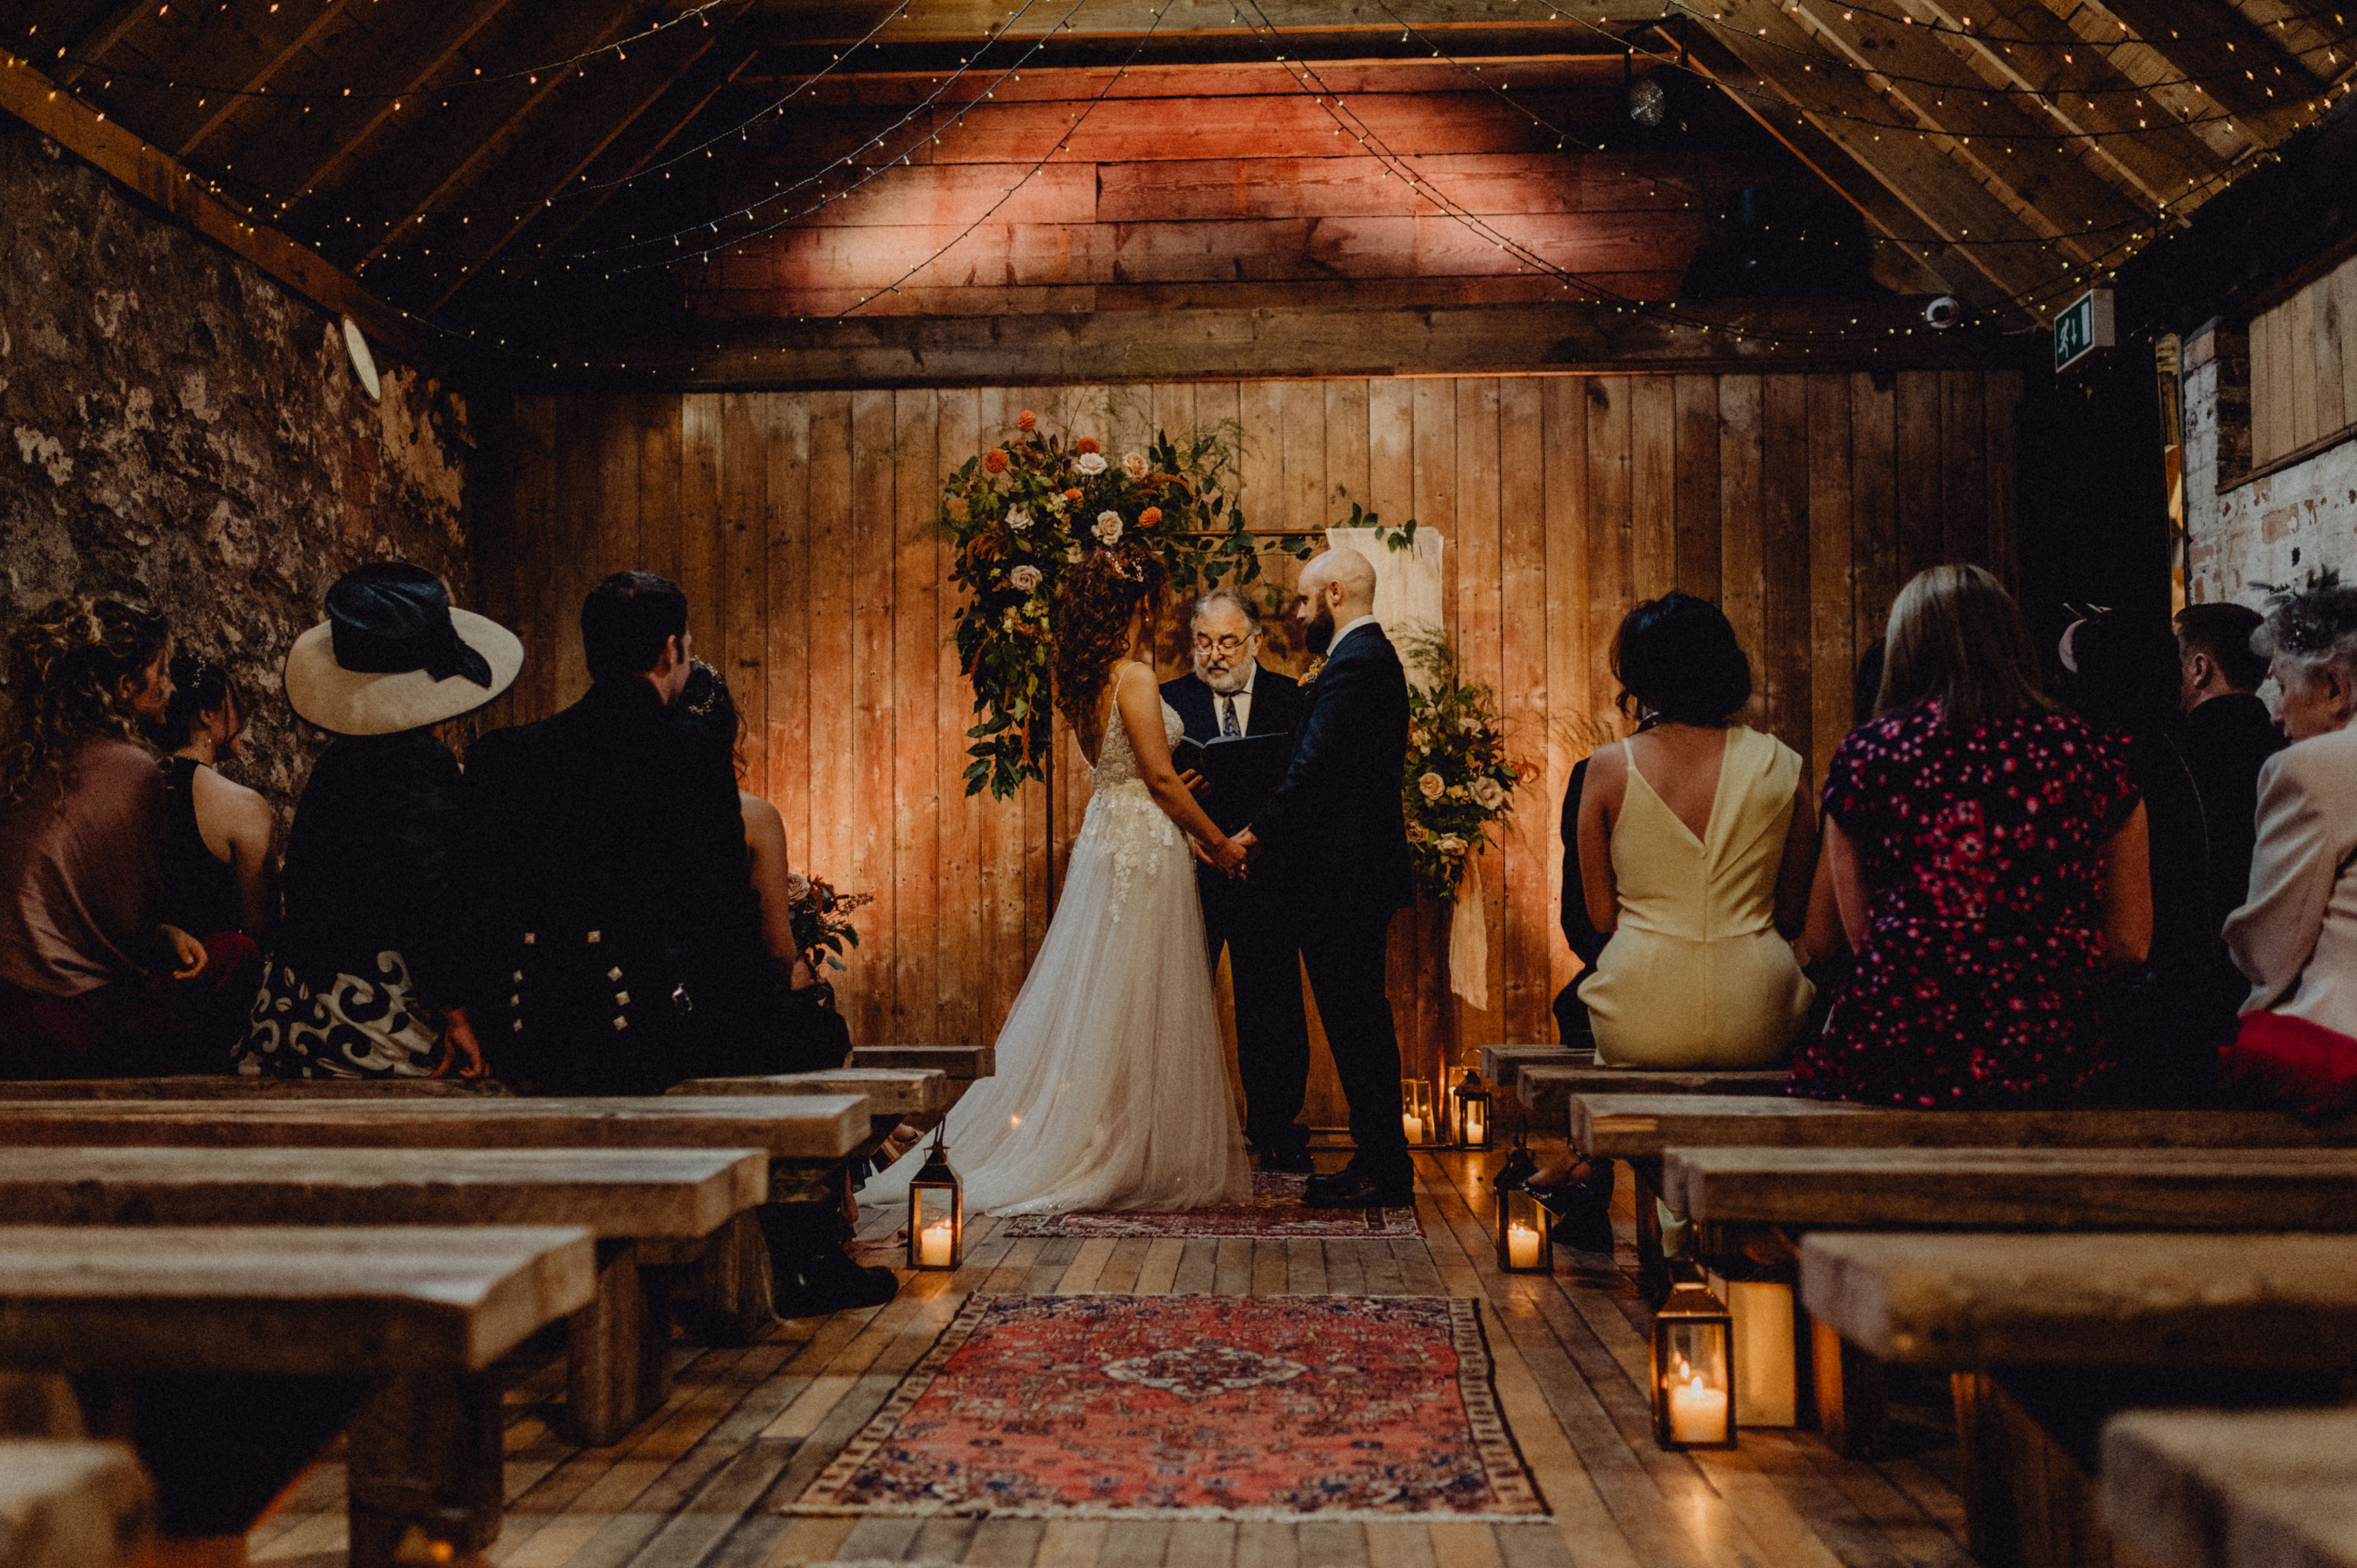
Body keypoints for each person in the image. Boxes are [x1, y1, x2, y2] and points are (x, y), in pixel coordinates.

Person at [466, 571, 892, 1316]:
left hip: (529, 1023)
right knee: (813, 1029)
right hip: (638, 1033)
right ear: (672, 651)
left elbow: (485, 904)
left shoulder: (509, 754)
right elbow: (714, 918)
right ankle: (807, 1255)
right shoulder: (689, 750)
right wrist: (772, 994)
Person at [874, 543, 1252, 1216]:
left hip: (1113, 828)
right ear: (1138, 604)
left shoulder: (1083, 677)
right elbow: (1159, 778)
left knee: (1116, 990)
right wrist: (1218, 842)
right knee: (1141, 992)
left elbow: (1116, 768)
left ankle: (1115, 1137)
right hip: (1142, 837)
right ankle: (1119, 1147)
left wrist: (1165, 788)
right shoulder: (1134, 675)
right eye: (1156, 604)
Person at [1788, 564, 2152, 1108]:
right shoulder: (2093, 756)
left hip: (1900, 1049)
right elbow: (2129, 942)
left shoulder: (1866, 757)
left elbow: (1864, 940)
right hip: (2053, 1052)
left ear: (1904, 647)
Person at [239, 565, 518, 1079]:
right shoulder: (414, 761)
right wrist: (454, 1011)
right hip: (366, 1022)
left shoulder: (341, 760)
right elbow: (426, 894)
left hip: (296, 1009)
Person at [0, 597, 259, 1077]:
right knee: (236, 958)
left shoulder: (22, 759)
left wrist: (165, 933)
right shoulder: (134, 768)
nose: (170, 686)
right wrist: (163, 935)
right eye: (161, 673)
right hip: (65, 1023)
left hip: (8, 1015)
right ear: (126, 687)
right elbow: (129, 937)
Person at [1235, 546, 1417, 1210]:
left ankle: (1385, 1165)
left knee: (1358, 1022)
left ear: (1336, 593)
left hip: (1345, 879)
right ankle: (1379, 1159)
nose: (1300, 611)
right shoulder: (1362, 661)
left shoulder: (1358, 665)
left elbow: (1315, 772)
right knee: (1357, 1019)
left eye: (1307, 599)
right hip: (1348, 875)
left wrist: (1250, 836)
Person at [1576, 593, 1815, 1071]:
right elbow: (1791, 917)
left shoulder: (1607, 768)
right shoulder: (1784, 766)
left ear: (1641, 676)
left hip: (1639, 1013)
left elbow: (1601, 917)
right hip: (1758, 1013)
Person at [1161, 588, 1311, 1172]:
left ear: (1255, 642)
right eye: (1203, 642)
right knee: (1177, 1001)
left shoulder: (1292, 697)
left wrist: (1256, 835)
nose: (1214, 655)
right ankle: (1178, 1132)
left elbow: (1304, 779)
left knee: (1271, 1003)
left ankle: (1277, 1128)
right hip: (1190, 871)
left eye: (1227, 642)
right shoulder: (1168, 701)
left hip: (1264, 870)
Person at [2218, 586, 2357, 1112]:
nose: (2274, 714)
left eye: (2279, 685)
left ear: (2333, 688)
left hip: (2336, 1059)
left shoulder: (2313, 767)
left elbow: (2268, 949)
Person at [676, 659, 848, 1075]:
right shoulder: (753, 816)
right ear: (726, 729)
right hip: (722, 1028)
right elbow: (777, 948)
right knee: (825, 1031)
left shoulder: (619, 808)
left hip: (641, 1024)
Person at [151, 654, 275, 940]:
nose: (241, 719)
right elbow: (262, 928)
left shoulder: (139, 784)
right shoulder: (244, 807)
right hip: (215, 975)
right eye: (234, 706)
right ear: (207, 713)